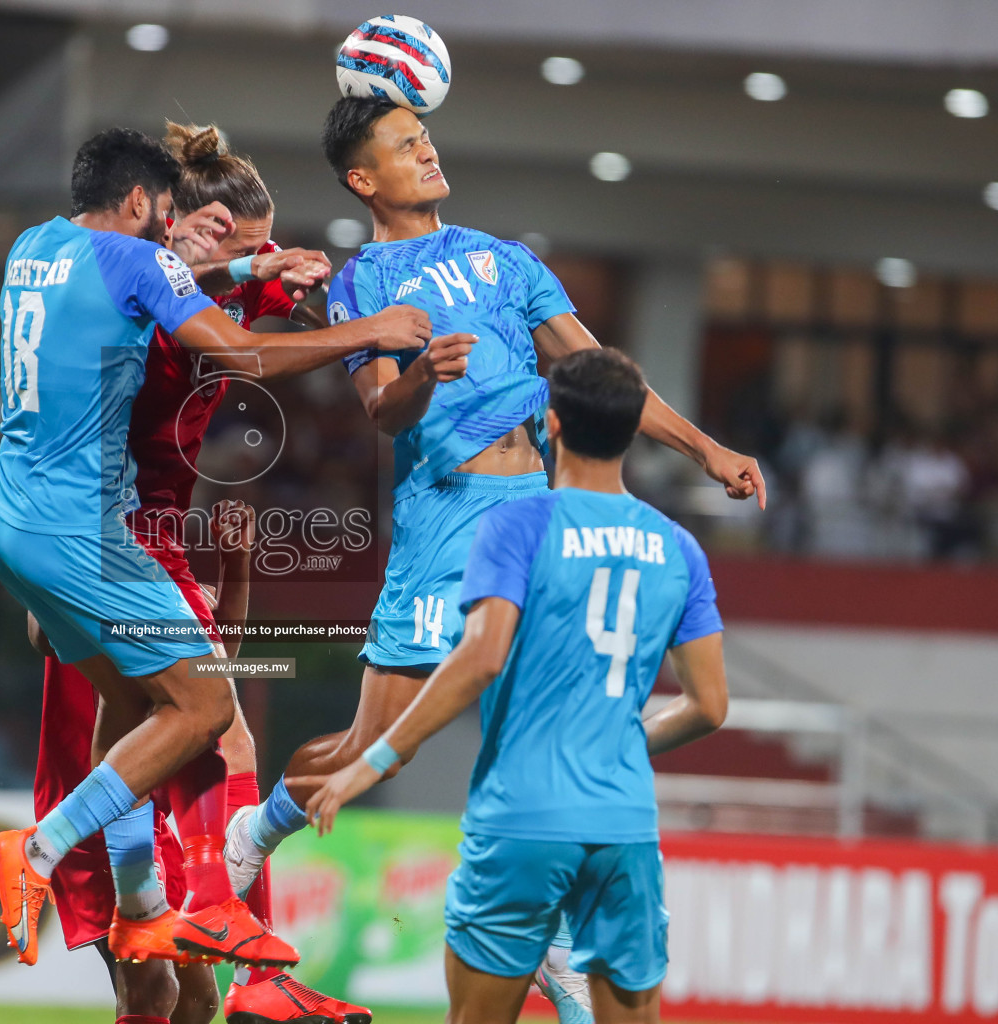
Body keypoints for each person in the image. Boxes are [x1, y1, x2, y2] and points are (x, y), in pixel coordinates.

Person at [224, 96, 763, 1023]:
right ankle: (257, 827)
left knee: (539, 733)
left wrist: (706, 450)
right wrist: (425, 374)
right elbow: (382, 414)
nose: (427, 151)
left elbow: (602, 375)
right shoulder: (363, 284)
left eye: (425, 137)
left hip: (538, 508)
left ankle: (549, 943)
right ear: (365, 180)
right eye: (404, 145)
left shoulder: (512, 261)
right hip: (445, 517)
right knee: (377, 751)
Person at [0, 126, 432, 970]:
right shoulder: (142, 261)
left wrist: (243, 271)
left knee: (133, 704)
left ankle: (143, 902)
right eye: (157, 220)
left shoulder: (33, 247)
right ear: (145, 203)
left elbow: (135, 288)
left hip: (5, 518)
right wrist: (370, 328)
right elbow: (247, 354)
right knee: (206, 708)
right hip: (85, 532)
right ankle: (38, 849)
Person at [303, 349, 730, 1024]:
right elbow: (710, 707)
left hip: (521, 818)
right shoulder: (679, 547)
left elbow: (479, 660)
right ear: (629, 433)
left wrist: (374, 760)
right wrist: (617, 748)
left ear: (550, 423)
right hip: (623, 825)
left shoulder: (520, 524)